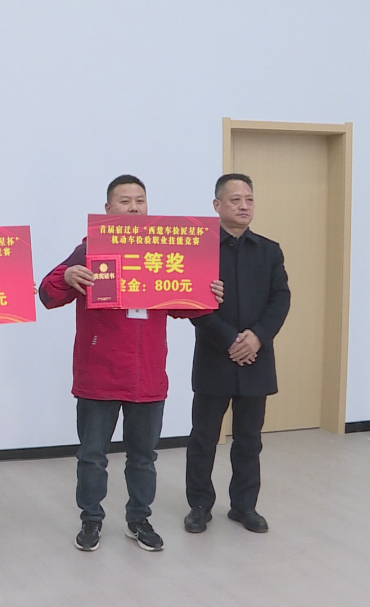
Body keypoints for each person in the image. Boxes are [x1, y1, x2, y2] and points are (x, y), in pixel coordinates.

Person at [38, 175, 222, 553]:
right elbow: (47, 293)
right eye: (125, 201)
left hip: (147, 375)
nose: (134, 207)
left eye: (140, 200)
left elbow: (185, 305)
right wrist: (67, 276)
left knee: (144, 458)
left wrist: (209, 294)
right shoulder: (90, 248)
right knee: (92, 457)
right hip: (98, 374)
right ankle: (91, 520)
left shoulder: (164, 252)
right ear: (108, 209)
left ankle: (139, 520)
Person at [183, 173, 290, 535]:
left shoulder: (270, 250)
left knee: (249, 439)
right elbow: (192, 304)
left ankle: (244, 506)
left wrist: (257, 337)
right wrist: (230, 340)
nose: (244, 206)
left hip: (256, 359)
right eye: (235, 200)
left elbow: (281, 299)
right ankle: (199, 505)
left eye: (249, 199)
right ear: (217, 205)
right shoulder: (200, 249)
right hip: (215, 356)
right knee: (203, 438)